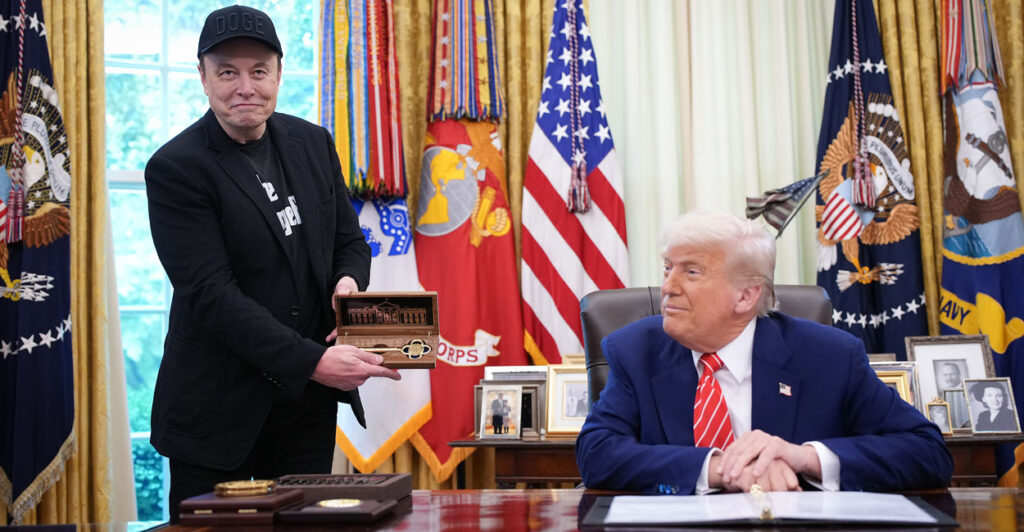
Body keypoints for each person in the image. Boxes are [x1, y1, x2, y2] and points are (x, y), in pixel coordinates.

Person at [145, 5, 401, 519]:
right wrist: (315, 362)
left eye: (258, 71)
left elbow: (350, 242)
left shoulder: (313, 142)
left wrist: (347, 281)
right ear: (203, 78)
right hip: (217, 415)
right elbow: (213, 298)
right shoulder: (176, 168)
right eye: (227, 73)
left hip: (304, 410)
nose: (245, 87)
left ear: (279, 74)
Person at [576, 211, 953, 494]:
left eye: (691, 272)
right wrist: (719, 469)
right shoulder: (635, 351)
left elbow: (927, 452)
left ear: (745, 296)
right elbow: (596, 454)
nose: (667, 287)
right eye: (667, 268)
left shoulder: (830, 356)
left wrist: (804, 457)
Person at [936, 361, 969, 428]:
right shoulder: (940, 394)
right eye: (945, 375)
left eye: (952, 374)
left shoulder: (967, 391)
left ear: (959, 374)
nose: (949, 378)